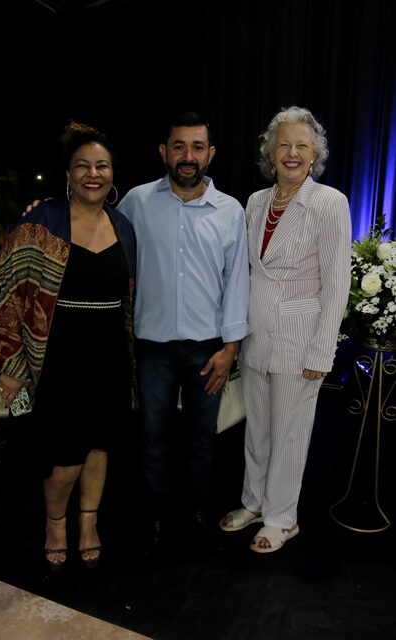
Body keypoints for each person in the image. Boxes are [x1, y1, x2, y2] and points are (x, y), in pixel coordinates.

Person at [0, 121, 136, 571]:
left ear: (112, 173)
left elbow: (131, 295)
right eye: (83, 165)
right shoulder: (42, 219)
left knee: (100, 444)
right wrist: (10, 361)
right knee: (64, 450)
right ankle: (55, 523)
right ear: (68, 173)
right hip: (58, 355)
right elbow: (2, 287)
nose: (94, 173)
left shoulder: (124, 225)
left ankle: (88, 520)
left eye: (102, 165)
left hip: (109, 351)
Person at [219, 106, 352, 553]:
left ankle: (282, 517)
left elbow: (337, 284)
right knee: (257, 428)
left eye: (302, 145)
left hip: (301, 342)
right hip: (256, 337)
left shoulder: (330, 203)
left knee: (291, 433)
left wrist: (321, 353)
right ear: (271, 153)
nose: (292, 153)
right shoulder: (256, 202)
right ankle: (254, 502)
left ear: (315, 154)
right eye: (284, 145)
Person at [117, 111, 250, 551]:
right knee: (153, 435)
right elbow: (96, 235)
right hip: (151, 347)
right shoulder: (136, 202)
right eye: (179, 147)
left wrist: (231, 347)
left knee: (201, 439)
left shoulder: (231, 211)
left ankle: (193, 512)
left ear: (210, 153)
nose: (187, 156)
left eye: (197, 147)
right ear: (163, 152)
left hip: (207, 348)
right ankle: (157, 512)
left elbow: (237, 284)